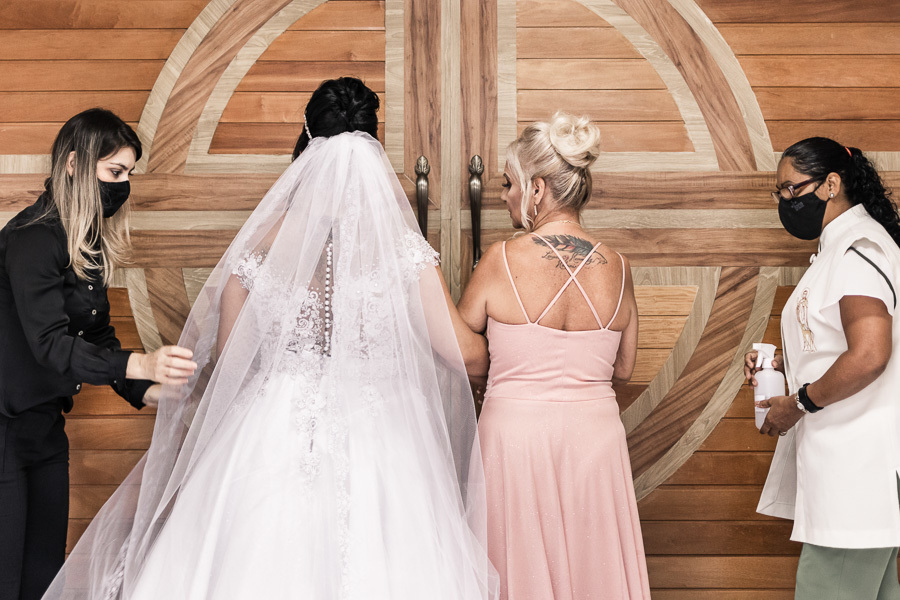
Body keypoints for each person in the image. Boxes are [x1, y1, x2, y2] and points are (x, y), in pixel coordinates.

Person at [43, 78, 497, 600]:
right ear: (373, 151)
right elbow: (465, 355)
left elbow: (233, 364)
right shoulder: (402, 253)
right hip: (383, 429)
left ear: (305, 145)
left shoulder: (260, 246)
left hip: (276, 426)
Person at [0, 108, 197, 600]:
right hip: (3, 428)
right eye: (115, 173)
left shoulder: (84, 241)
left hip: (44, 429)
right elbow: (50, 345)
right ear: (73, 164)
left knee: (45, 574)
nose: (123, 185)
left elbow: (97, 335)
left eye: (128, 174)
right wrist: (141, 362)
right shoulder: (32, 239)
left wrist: (145, 389)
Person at [458, 112, 650, 599]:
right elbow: (623, 368)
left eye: (508, 184)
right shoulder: (620, 266)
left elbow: (461, 351)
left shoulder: (500, 259)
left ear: (537, 188)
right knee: (593, 569)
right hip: (594, 439)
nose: (504, 196)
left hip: (515, 441)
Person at [746, 137, 900, 599]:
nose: (785, 202)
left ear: (831, 184)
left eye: (792, 190)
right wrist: (780, 366)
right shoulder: (838, 251)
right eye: (779, 194)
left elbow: (871, 354)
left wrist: (797, 403)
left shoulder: (858, 250)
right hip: (849, 475)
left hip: (857, 473)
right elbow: (835, 347)